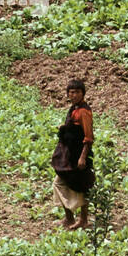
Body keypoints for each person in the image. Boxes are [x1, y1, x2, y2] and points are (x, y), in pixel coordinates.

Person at [52, 79, 95, 229]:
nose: (74, 95)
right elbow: (75, 127)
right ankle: (69, 217)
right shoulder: (74, 108)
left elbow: (89, 137)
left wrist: (83, 157)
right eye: (71, 92)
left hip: (78, 155)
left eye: (77, 92)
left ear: (83, 93)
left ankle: (83, 220)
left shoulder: (83, 111)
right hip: (69, 154)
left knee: (81, 185)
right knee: (60, 182)